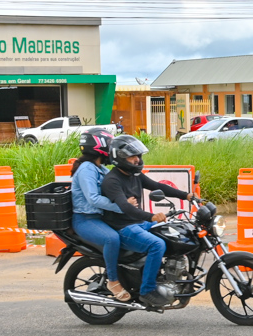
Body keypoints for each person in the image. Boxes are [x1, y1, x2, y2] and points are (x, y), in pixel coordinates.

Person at [100, 134, 196, 308]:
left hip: (137, 223)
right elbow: (125, 207)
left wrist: (186, 195)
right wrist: (150, 216)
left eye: (138, 156)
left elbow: (158, 186)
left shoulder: (134, 174)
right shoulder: (112, 180)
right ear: (120, 157)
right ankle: (147, 291)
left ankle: (167, 276)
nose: (137, 160)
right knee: (156, 245)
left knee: (175, 233)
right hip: (123, 227)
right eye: (133, 156)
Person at [69, 129, 130, 301]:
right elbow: (93, 199)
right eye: (110, 145)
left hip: (100, 218)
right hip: (85, 219)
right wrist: (121, 208)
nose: (113, 150)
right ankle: (113, 281)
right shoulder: (87, 169)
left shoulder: (100, 168)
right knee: (111, 239)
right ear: (99, 147)